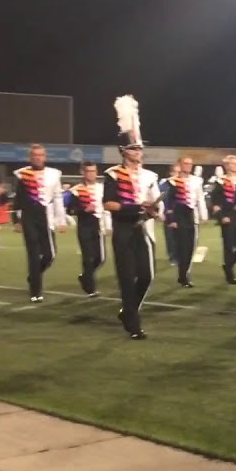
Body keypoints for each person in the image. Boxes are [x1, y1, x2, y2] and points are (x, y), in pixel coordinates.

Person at [101, 96, 163, 340]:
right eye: (134, 148)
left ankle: (128, 311)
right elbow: (108, 203)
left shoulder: (150, 175)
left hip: (143, 230)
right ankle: (133, 324)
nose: (139, 151)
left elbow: (156, 205)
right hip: (124, 230)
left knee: (147, 276)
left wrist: (153, 210)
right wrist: (136, 206)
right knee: (127, 278)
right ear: (123, 151)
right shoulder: (112, 175)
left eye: (140, 147)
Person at [12, 144, 68, 302]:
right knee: (33, 255)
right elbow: (18, 199)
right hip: (29, 217)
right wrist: (16, 220)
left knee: (50, 254)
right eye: (34, 155)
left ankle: (34, 275)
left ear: (45, 157)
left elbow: (57, 197)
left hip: (46, 216)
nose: (38, 157)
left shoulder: (54, 174)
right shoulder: (22, 174)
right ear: (30, 157)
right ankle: (35, 291)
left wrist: (61, 219)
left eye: (40, 154)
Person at [65, 161, 109, 297]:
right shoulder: (76, 190)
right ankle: (90, 288)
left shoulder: (102, 188)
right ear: (82, 172)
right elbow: (70, 209)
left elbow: (107, 206)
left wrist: (108, 225)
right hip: (84, 225)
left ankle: (85, 276)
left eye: (94, 171)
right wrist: (83, 210)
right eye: (88, 171)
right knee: (88, 257)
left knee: (100, 258)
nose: (91, 174)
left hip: (98, 225)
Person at [164, 156, 205, 288]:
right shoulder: (172, 182)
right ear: (179, 165)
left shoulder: (197, 181)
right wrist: (171, 219)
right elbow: (168, 202)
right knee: (182, 248)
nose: (188, 166)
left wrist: (203, 215)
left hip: (191, 215)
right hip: (178, 215)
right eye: (185, 163)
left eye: (190, 164)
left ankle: (184, 274)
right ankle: (183, 275)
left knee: (190, 247)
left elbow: (200, 199)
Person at [208, 155, 236, 284]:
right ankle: (230, 274)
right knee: (229, 246)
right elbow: (215, 202)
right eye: (233, 163)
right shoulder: (220, 182)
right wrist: (221, 217)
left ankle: (228, 264)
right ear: (227, 166)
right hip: (227, 217)